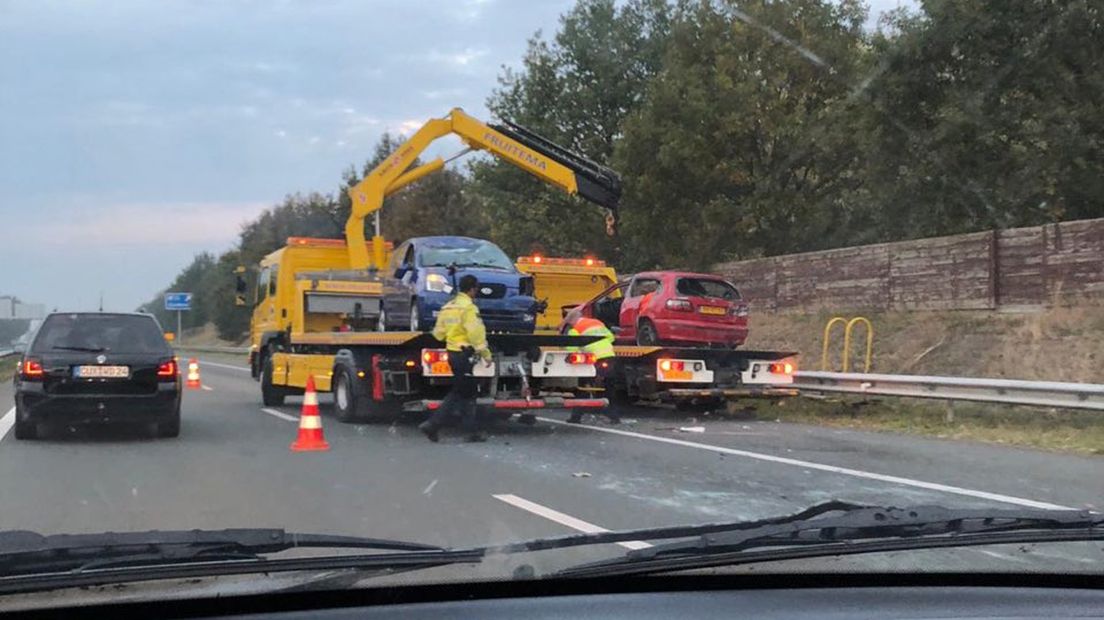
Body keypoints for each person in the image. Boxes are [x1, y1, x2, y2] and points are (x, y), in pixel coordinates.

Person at [418, 275, 493, 443]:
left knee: (467, 392)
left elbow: (438, 334)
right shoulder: (468, 308)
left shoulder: (447, 307)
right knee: (460, 392)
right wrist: (486, 355)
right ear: (473, 288)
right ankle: (432, 424)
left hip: (452, 354)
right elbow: (476, 334)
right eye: (476, 289)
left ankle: (472, 431)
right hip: (464, 354)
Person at [564, 315, 620, 424]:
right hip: (609, 356)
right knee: (609, 388)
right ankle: (614, 417)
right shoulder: (597, 323)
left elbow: (572, 348)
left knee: (583, 387)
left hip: (593, 360)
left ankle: (576, 416)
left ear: (571, 322)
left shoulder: (574, 330)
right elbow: (611, 338)